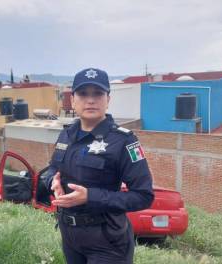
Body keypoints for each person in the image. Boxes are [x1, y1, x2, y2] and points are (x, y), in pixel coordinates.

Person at [44, 67, 154, 264]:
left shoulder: (124, 141)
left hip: (107, 243)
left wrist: (90, 197)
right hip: (70, 236)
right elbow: (52, 168)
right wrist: (53, 181)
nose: (91, 100)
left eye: (98, 93)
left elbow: (143, 196)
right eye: (83, 93)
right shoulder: (66, 135)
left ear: (108, 100)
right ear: (72, 100)